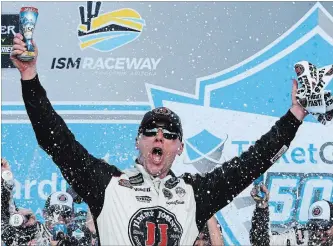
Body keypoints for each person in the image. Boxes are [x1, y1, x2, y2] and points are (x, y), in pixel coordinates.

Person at [11, 33, 308, 245]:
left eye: (169, 135)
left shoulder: (195, 194)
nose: (159, 137)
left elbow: (252, 163)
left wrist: (294, 116)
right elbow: (55, 140)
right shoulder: (108, 185)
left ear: (179, 148)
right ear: (138, 141)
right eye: (151, 132)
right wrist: (29, 76)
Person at [249, 184, 333, 245]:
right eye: (315, 227)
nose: (319, 232)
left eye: (325, 227)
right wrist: (261, 208)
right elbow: (261, 242)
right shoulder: (300, 238)